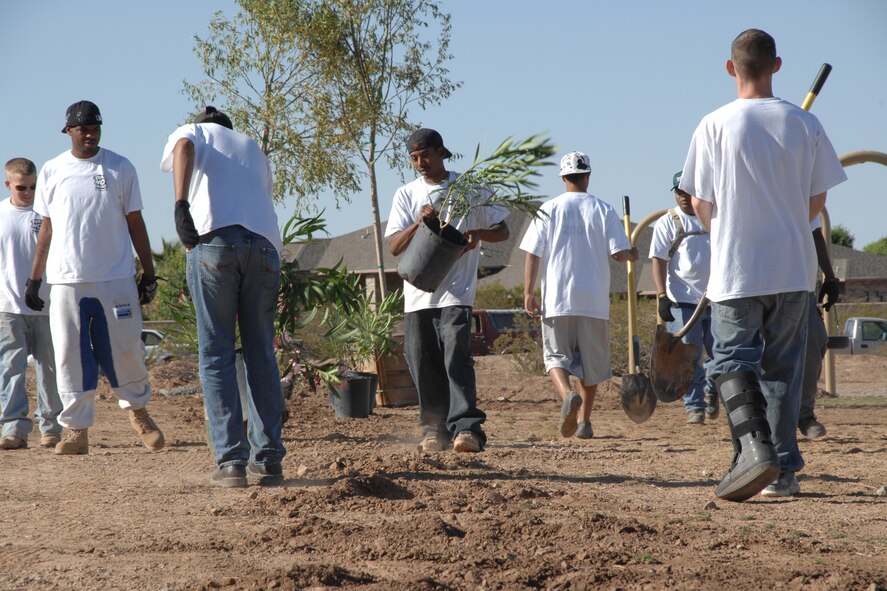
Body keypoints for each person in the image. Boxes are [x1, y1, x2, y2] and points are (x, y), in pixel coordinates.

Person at [681, 30, 847, 501]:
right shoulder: (803, 124)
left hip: (736, 268)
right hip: (793, 268)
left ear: (731, 68)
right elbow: (818, 198)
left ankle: (752, 451)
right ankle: (782, 471)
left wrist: (726, 229)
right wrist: (793, 222)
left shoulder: (713, 125)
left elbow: (698, 200)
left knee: (732, 361)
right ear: (776, 65)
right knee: (783, 370)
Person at [28, 100, 164, 456]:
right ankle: (75, 431)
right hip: (67, 280)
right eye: (82, 129)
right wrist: (34, 279)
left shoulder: (120, 168)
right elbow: (47, 229)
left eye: (95, 128)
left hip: (115, 278)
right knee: (70, 355)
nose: (90, 134)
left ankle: (139, 414)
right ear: (69, 131)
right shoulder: (53, 170)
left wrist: (148, 272)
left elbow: (136, 222)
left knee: (127, 349)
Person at [160, 106, 285, 487]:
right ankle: (267, 461)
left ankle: (231, 462)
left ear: (203, 125)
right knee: (260, 353)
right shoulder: (253, 149)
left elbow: (183, 144)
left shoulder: (196, 131)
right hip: (265, 249)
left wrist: (180, 204)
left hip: (216, 243)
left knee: (216, 351)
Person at [386, 128, 509, 453]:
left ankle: (467, 429)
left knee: (456, 356)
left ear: (441, 152)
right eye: (414, 158)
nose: (420, 163)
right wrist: (418, 222)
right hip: (417, 295)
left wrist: (478, 233)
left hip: (456, 292)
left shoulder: (469, 187)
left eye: (425, 155)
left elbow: (503, 229)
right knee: (422, 360)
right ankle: (432, 430)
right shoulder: (406, 194)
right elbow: (395, 247)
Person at [520, 151, 637, 439]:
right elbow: (619, 254)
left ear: (562, 177)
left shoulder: (547, 209)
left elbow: (533, 254)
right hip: (593, 299)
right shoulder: (604, 209)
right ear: (588, 176)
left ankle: (566, 396)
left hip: (557, 297)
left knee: (555, 357)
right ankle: (584, 421)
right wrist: (633, 251)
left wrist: (528, 292)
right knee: (591, 365)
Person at [0, 158, 63, 450]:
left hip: (47, 305)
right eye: (22, 187)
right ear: (8, 184)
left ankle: (51, 427)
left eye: (33, 187)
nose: (28, 192)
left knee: (50, 367)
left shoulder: (48, 213)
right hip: (8, 306)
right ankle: (14, 429)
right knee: (11, 368)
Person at [649, 171, 715, 425]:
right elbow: (658, 261)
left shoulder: (711, 217)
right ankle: (695, 406)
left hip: (715, 297)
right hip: (683, 299)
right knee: (689, 356)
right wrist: (662, 296)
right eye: (679, 192)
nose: (683, 197)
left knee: (720, 352)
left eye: (687, 192)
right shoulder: (669, 222)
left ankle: (713, 391)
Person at [800, 225, 840, 438]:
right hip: (758, 286)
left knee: (815, 341)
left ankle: (804, 414)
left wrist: (830, 277)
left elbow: (815, 231)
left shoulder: (800, 194)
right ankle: (764, 416)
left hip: (801, 287)